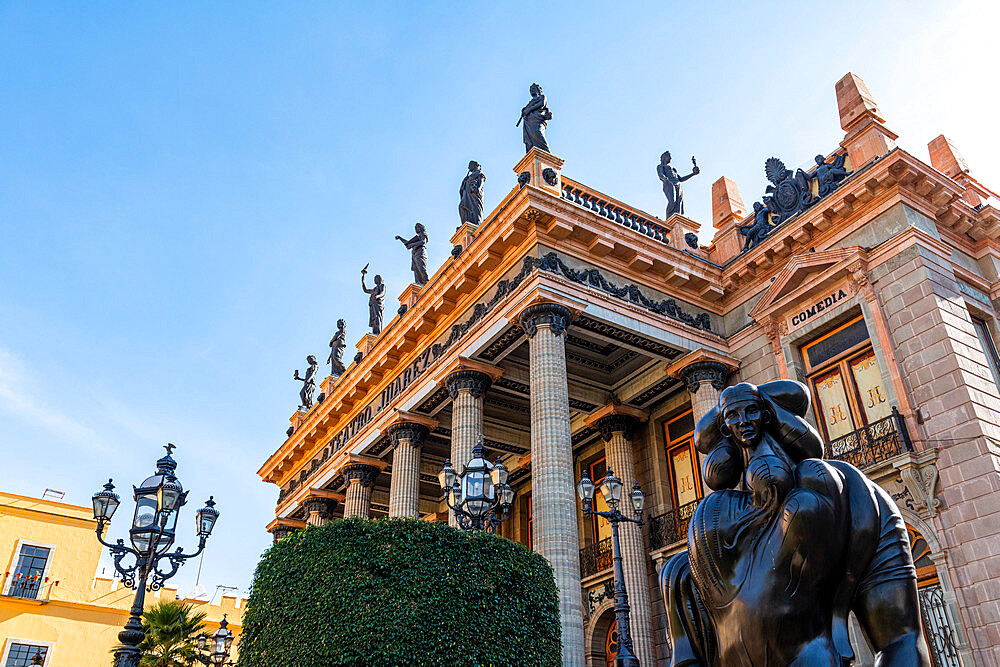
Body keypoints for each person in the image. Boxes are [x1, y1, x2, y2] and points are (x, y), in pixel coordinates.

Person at [662, 380, 929, 666]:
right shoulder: (711, 525)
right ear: (725, 426)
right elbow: (902, 641)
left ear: (764, 414)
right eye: (732, 416)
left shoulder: (707, 527)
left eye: (751, 411)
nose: (743, 423)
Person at [657, 151, 699, 218]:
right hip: (669, 183)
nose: (671, 158)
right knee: (672, 202)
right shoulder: (660, 166)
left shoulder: (674, 169)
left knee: (679, 203)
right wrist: (665, 179)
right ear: (664, 157)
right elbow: (660, 175)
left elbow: (681, 179)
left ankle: (678, 218)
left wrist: (693, 174)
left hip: (678, 185)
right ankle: (669, 218)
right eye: (669, 156)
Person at [518, 83, 552, 153]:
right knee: (529, 139)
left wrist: (529, 109)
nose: (531, 91)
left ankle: (546, 153)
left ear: (538, 90)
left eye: (533, 89)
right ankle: (531, 154)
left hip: (537, 119)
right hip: (528, 121)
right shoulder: (530, 102)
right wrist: (524, 110)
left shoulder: (542, 97)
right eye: (530, 90)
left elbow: (541, 104)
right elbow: (525, 112)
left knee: (537, 132)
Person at [459, 161, 486, 226]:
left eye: (470, 165)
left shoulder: (479, 173)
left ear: (475, 165)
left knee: (475, 206)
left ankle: (477, 222)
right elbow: (462, 189)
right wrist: (464, 181)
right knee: (462, 206)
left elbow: (481, 181)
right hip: (466, 195)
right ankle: (466, 222)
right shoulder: (468, 177)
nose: (469, 167)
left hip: (474, 193)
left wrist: (478, 188)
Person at [361, 266, 385, 335]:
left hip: (378, 304)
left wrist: (377, 296)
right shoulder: (374, 289)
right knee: (374, 319)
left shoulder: (382, 286)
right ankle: (374, 332)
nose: (376, 279)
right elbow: (365, 290)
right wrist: (363, 278)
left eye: (377, 278)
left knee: (377, 318)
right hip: (373, 305)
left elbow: (382, 293)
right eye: (375, 278)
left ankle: (378, 333)